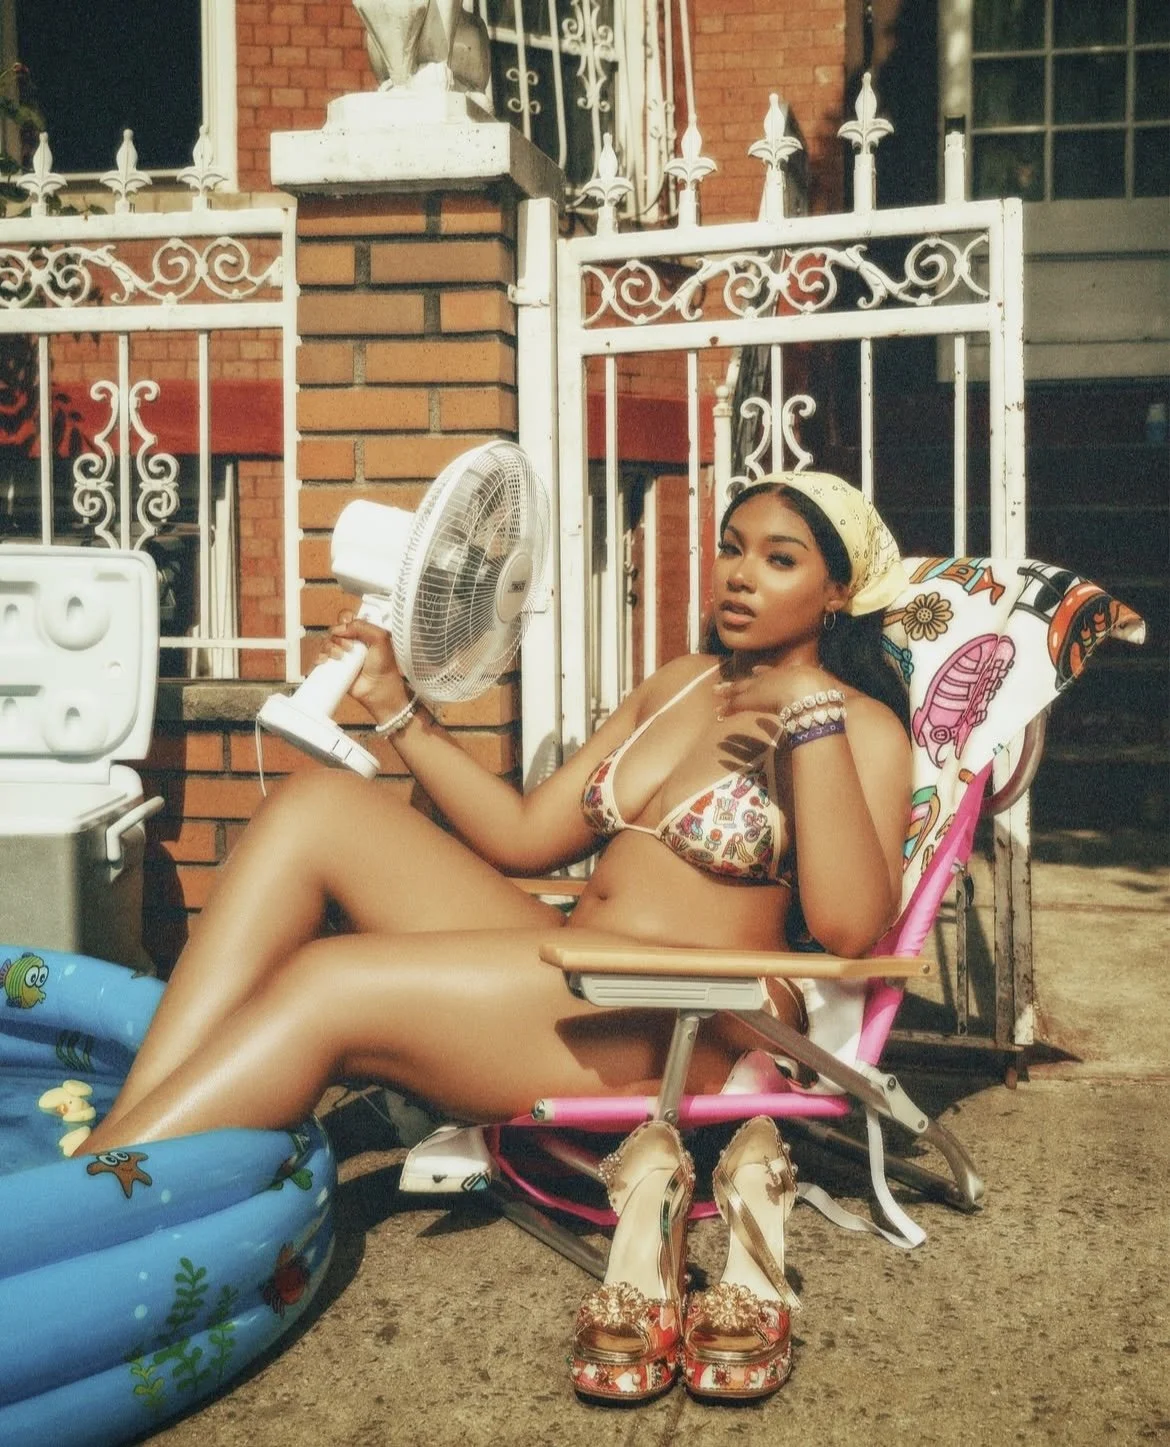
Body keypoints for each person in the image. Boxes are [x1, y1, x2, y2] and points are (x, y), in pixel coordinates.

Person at [82, 471, 911, 1162]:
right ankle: (126, 1133)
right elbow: (525, 835)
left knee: (327, 977)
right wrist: (394, 704)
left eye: (779, 559)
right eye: (731, 547)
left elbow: (851, 929)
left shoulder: (859, 728)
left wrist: (812, 718)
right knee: (314, 806)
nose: (739, 573)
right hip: (576, 968)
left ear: (837, 590)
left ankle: (92, 1193)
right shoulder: (682, 682)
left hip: (686, 1015)